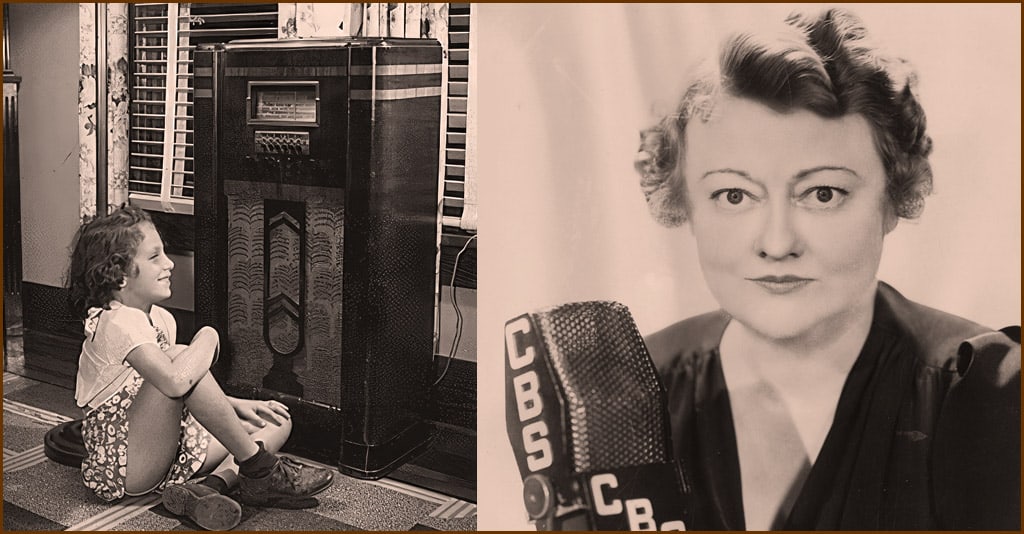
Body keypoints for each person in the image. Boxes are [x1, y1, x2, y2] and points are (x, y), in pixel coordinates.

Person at [633, 8, 1019, 530]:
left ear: (893, 199)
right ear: (687, 206)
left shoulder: (981, 391)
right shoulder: (637, 386)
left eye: (822, 193)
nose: (776, 243)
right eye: (733, 194)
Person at [67, 206, 334, 530]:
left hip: (167, 451)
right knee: (181, 355)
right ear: (119, 274)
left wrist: (236, 405)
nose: (169, 264)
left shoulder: (161, 319)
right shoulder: (116, 321)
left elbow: (183, 390)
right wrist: (209, 336)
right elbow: (176, 383)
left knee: (276, 420)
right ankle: (260, 469)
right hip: (126, 464)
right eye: (155, 257)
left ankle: (209, 488)